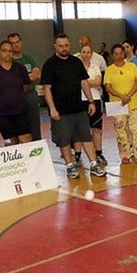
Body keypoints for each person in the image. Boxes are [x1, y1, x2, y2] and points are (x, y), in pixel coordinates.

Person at [41, 34, 106, 179]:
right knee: (64, 139)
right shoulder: (49, 64)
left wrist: (91, 101)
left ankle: (94, 164)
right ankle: (70, 166)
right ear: (55, 47)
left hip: (78, 108)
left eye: (66, 45)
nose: (64, 48)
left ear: (69, 45)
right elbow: (47, 88)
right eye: (60, 46)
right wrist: (52, 108)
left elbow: (84, 82)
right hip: (61, 111)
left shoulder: (76, 62)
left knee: (85, 137)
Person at [104, 44, 137, 164]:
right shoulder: (109, 70)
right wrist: (121, 96)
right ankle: (124, 155)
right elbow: (108, 87)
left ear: (124, 53)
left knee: (135, 129)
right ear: (112, 55)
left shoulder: (132, 66)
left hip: (133, 102)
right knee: (120, 130)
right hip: (117, 104)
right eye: (116, 54)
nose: (119, 56)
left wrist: (128, 95)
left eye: (121, 53)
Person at [0, 40, 32, 146]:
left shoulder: (20, 68)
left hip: (20, 110)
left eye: (10, 51)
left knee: (26, 138)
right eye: (4, 51)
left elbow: (25, 86)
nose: (7, 53)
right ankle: (14, 162)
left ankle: (28, 162)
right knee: (11, 142)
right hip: (1, 113)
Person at [76, 44, 107, 166]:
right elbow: (76, 82)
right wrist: (89, 82)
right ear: (80, 53)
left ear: (91, 54)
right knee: (79, 130)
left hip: (95, 99)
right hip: (80, 100)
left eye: (88, 52)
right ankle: (78, 156)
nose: (86, 54)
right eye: (84, 52)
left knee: (96, 129)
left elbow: (98, 82)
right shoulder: (76, 67)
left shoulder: (95, 67)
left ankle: (98, 153)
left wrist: (83, 82)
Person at [8, 32, 42, 141]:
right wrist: (28, 76)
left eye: (17, 42)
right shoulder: (8, 62)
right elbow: (12, 80)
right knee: (17, 127)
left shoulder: (29, 59)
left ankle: (37, 148)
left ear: (21, 43)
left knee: (34, 125)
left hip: (30, 95)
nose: (16, 45)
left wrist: (22, 78)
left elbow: (37, 74)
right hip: (15, 97)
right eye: (12, 43)